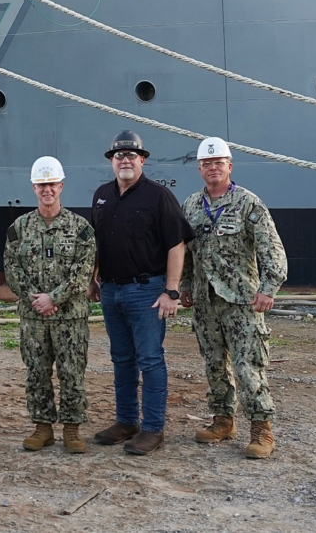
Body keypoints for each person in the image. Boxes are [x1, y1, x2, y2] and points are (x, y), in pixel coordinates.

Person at [180, 136, 288, 459]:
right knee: (214, 363)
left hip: (242, 300)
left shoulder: (248, 203)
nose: (213, 168)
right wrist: (185, 285)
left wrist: (269, 288)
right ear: (200, 169)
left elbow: (272, 248)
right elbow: (185, 252)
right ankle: (223, 420)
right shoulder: (190, 206)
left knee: (247, 366)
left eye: (219, 163)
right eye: (207, 164)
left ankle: (261, 430)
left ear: (229, 166)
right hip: (205, 300)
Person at [89, 130, 194, 455]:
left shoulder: (158, 197)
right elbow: (97, 242)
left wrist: (171, 292)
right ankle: (126, 421)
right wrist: (94, 279)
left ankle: (152, 429)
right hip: (110, 291)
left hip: (146, 291)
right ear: (111, 162)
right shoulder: (102, 195)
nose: (124, 160)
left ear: (142, 160)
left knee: (149, 359)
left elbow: (177, 244)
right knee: (121, 358)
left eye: (131, 155)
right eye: (118, 156)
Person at [3, 157, 96, 454]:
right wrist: (36, 298)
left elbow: (83, 272)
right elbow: (12, 268)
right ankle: (42, 428)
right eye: (42, 185)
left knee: (72, 373)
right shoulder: (19, 228)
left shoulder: (80, 228)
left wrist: (53, 299)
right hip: (34, 317)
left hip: (70, 318)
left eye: (52, 184)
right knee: (36, 373)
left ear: (61, 186)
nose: (47, 190)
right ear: (33, 187)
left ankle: (72, 429)